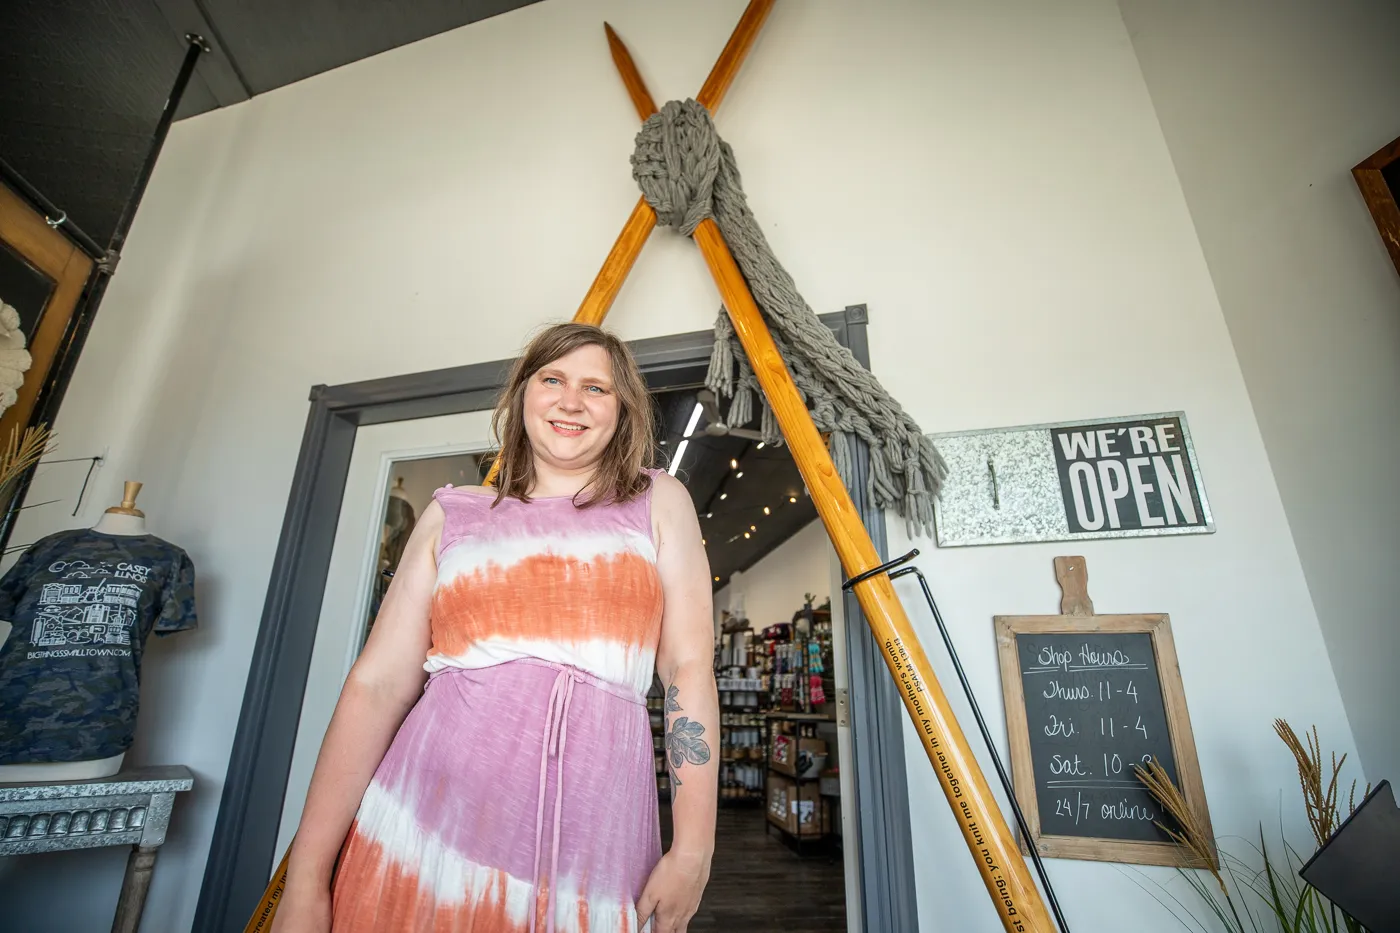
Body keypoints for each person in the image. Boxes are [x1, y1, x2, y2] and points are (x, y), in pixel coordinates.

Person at [274, 323, 718, 932]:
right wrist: (305, 879)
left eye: (597, 388)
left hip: (590, 851)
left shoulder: (657, 502)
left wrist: (694, 847)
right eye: (553, 380)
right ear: (521, 396)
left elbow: (688, 670)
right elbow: (376, 686)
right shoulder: (451, 514)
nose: (570, 400)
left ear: (624, 412)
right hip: (418, 834)